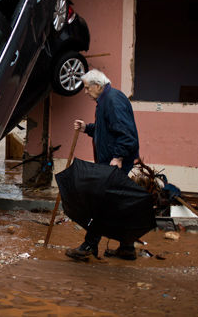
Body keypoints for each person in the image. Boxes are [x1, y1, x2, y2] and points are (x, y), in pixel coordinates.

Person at [65, 69, 140, 262]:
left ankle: (89, 245)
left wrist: (119, 157)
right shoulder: (106, 100)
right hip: (110, 161)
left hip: (114, 163)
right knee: (116, 204)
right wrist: (86, 128)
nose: (85, 92)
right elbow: (106, 129)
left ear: (97, 86)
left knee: (100, 203)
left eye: (87, 88)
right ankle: (127, 247)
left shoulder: (113, 100)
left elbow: (125, 132)